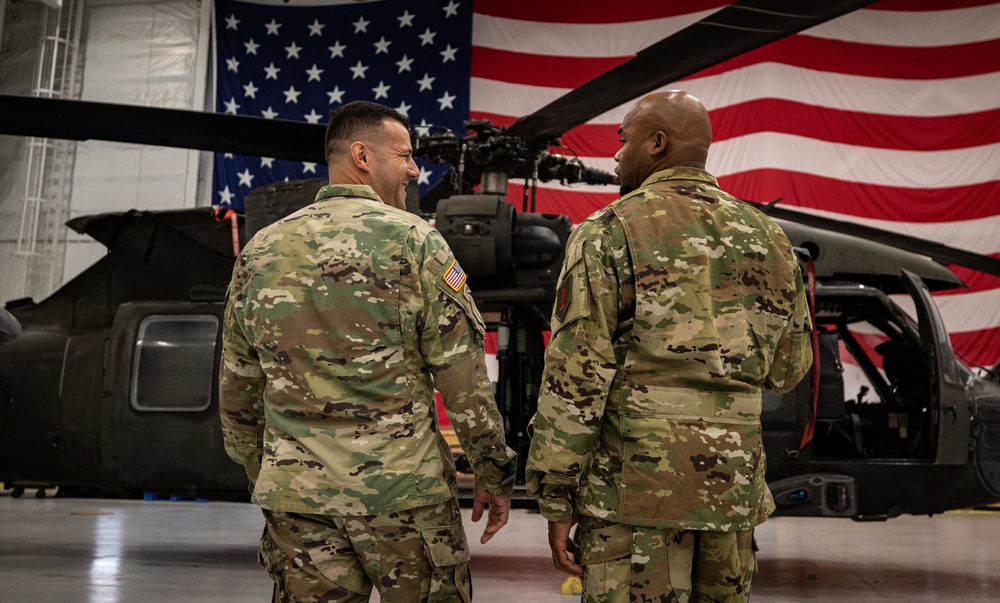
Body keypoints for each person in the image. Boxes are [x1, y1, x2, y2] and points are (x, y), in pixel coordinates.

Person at [220, 100, 517, 603]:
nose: (414, 169)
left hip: (299, 501)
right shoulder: (417, 243)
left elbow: (237, 390)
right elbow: (463, 381)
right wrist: (492, 470)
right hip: (403, 495)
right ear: (362, 155)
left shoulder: (261, 250)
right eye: (404, 155)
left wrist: (272, 472)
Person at [525, 90, 813, 602]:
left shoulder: (608, 232)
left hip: (634, 496)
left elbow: (576, 378)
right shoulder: (771, 238)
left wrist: (554, 493)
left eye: (623, 140)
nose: (615, 156)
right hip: (732, 492)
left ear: (657, 143)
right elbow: (789, 369)